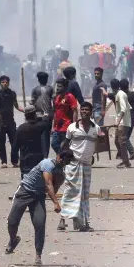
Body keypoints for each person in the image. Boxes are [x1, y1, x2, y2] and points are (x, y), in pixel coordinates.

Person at [6, 155, 64, 266]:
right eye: (63, 159)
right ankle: (13, 240)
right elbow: (47, 184)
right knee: (12, 222)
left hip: (38, 196)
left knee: (40, 224)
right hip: (24, 191)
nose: (63, 162)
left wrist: (58, 182)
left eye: (66, 162)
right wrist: (56, 203)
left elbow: (53, 189)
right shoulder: (47, 164)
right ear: (58, 156)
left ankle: (38, 256)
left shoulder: (60, 171)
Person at [57, 101, 100, 232]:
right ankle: (62, 219)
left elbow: (98, 143)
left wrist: (92, 155)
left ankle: (83, 222)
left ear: (91, 112)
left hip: (87, 164)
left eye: (87, 110)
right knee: (70, 190)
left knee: (84, 194)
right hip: (73, 164)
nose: (84, 112)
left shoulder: (96, 128)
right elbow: (65, 143)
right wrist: (60, 156)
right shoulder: (72, 128)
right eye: (83, 110)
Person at [0, 75, 22, 169]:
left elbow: (16, 105)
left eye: (6, 82)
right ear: (0, 83)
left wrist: (24, 110)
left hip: (11, 121)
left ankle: (15, 161)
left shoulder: (12, 94)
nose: (5, 84)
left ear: (9, 83)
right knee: (1, 143)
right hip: (1, 122)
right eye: (3, 82)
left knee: (14, 142)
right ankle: (4, 161)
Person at [14, 106, 49, 177]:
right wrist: (45, 117)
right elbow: (46, 123)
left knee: (25, 181)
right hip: (38, 159)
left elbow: (15, 146)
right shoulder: (40, 126)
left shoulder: (21, 128)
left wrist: (14, 159)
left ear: (25, 116)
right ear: (35, 114)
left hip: (25, 160)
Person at [52, 78, 79, 155]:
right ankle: (63, 156)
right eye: (57, 86)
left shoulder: (70, 96)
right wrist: (53, 126)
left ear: (65, 87)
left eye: (60, 86)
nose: (58, 88)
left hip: (66, 126)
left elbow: (75, 111)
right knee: (54, 144)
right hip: (57, 127)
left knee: (65, 145)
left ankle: (65, 158)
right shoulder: (57, 97)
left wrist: (74, 125)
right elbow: (55, 112)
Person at [31, 71, 55, 158]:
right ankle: (44, 155)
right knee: (45, 136)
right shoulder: (49, 89)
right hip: (44, 116)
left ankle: (43, 155)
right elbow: (54, 103)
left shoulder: (37, 89)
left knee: (41, 136)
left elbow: (32, 103)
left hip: (41, 116)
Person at [112, 78, 132, 168]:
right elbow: (129, 107)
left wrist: (118, 121)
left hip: (123, 123)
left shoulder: (120, 94)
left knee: (122, 142)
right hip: (121, 122)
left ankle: (126, 162)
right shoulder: (120, 94)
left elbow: (124, 109)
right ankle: (124, 159)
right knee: (117, 141)